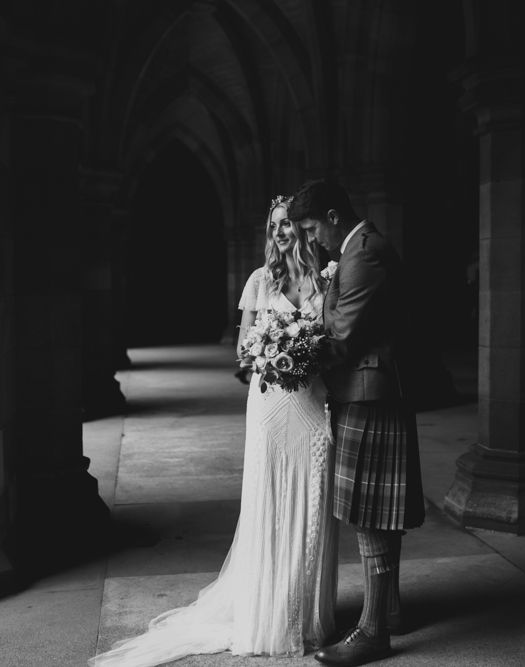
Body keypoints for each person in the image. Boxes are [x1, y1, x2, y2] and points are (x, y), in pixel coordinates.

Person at [88, 195, 338, 666]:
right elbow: (244, 353)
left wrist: (308, 351)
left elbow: (337, 340)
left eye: (288, 224)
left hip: (312, 403)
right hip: (270, 403)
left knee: (313, 495)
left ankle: (308, 613)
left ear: (304, 229)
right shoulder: (261, 282)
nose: (281, 232)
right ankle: (271, 612)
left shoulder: (326, 279)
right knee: (271, 500)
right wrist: (270, 351)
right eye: (274, 225)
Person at [287, 179, 425, 667]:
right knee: (373, 509)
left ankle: (371, 633)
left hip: (371, 395)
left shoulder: (361, 253)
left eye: (310, 228)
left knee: (370, 512)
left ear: (331, 216)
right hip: (368, 393)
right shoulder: (355, 250)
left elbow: (343, 334)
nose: (310, 239)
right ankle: (386, 612)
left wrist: (290, 359)